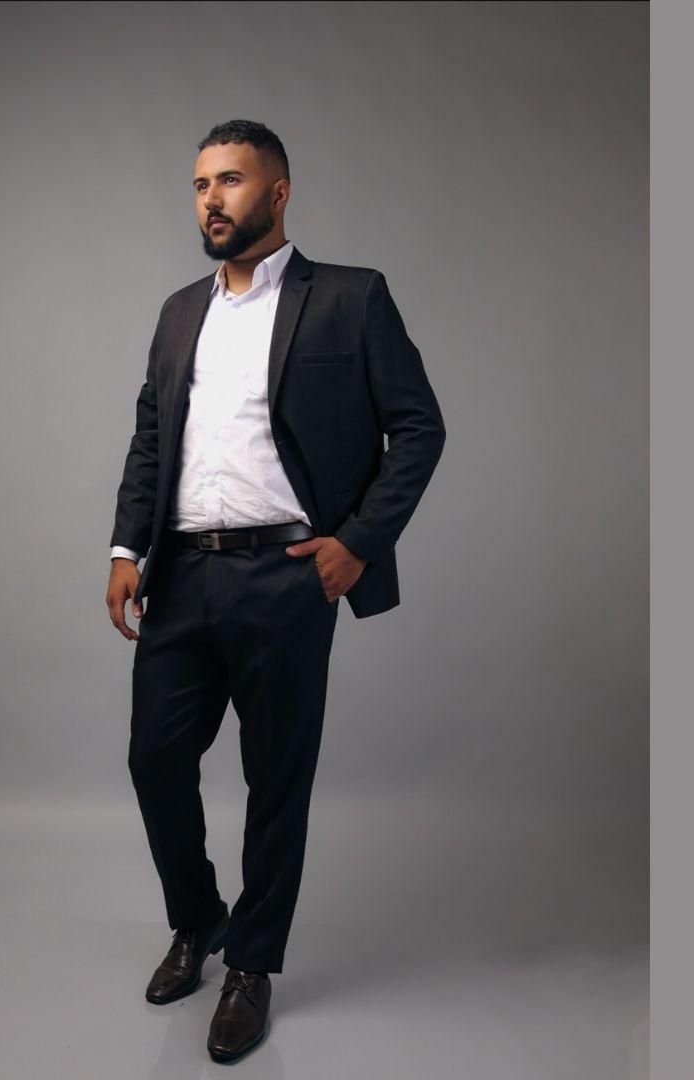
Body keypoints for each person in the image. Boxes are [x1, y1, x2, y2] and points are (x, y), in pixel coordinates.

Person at [105, 119, 446, 1063]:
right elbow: (151, 435)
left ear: (279, 192)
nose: (211, 200)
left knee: (276, 779)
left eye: (231, 181)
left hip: (287, 577)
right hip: (182, 573)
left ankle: (251, 965)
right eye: (200, 184)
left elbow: (419, 428)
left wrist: (359, 546)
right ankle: (199, 918)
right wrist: (126, 546)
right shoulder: (179, 311)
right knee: (153, 758)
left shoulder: (350, 298)